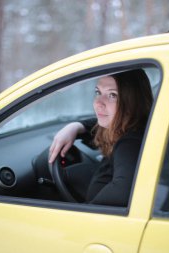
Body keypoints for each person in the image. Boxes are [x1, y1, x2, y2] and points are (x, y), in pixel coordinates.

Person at [49, 69, 153, 206]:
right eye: (98, 92)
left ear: (132, 101)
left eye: (112, 95)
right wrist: (76, 126)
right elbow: (101, 124)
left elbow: (123, 192)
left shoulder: (130, 143)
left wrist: (82, 215)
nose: (98, 103)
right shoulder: (138, 125)